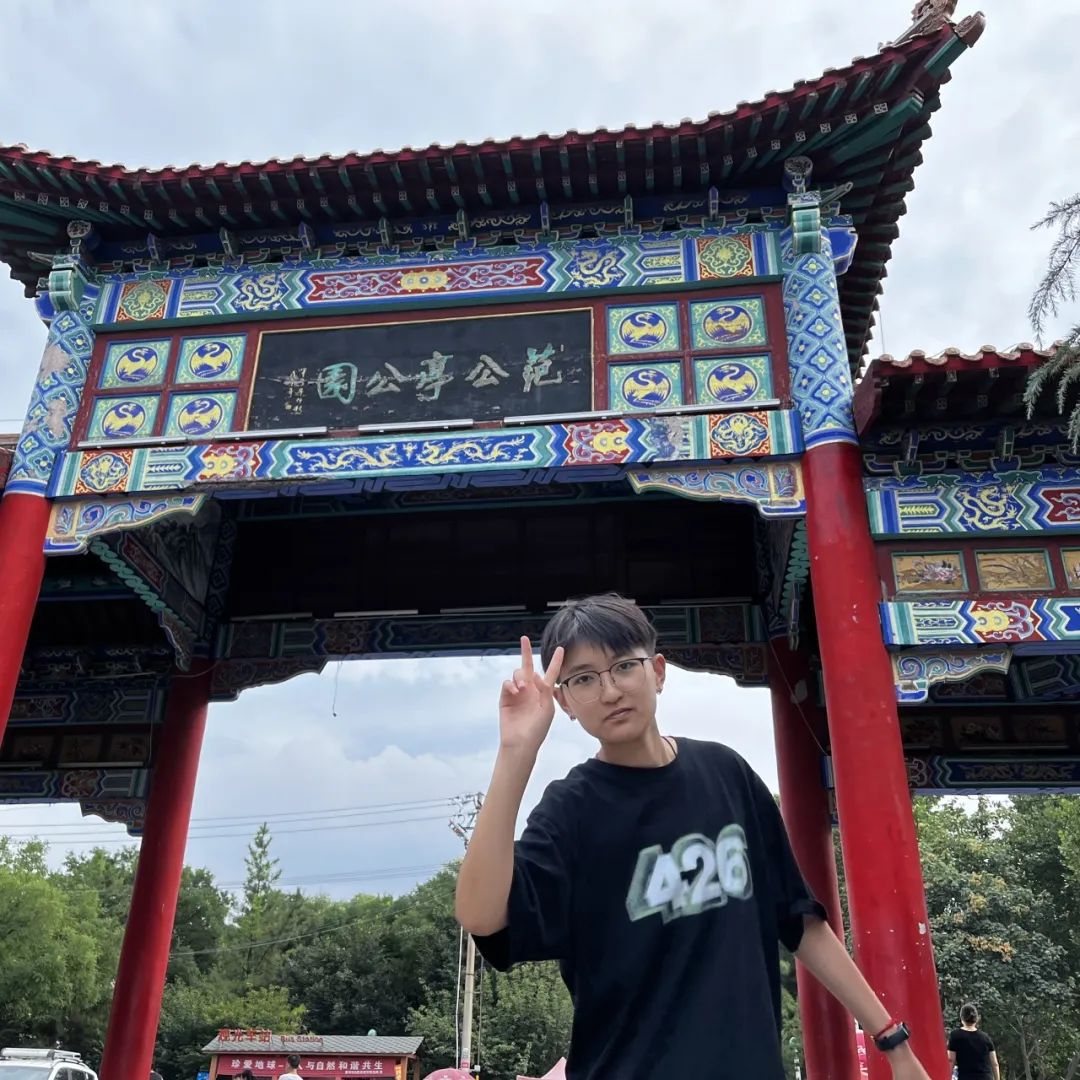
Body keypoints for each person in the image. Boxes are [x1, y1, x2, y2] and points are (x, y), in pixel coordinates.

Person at [455, 593, 934, 1080]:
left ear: (658, 671)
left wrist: (892, 1042)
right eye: (583, 679)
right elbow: (481, 917)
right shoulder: (570, 810)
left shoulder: (727, 774)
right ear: (564, 702)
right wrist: (516, 751)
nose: (610, 691)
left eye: (624, 666)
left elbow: (800, 921)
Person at [948, 1004, 999, 1080]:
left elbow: (951, 1060)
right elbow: (995, 1063)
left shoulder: (955, 1036)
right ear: (976, 1019)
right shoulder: (986, 1038)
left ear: (962, 1018)